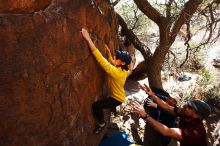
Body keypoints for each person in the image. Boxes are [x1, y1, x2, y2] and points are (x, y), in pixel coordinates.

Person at [81, 28, 132, 134]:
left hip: (117, 98)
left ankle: (101, 123)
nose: (115, 57)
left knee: (96, 106)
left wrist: (88, 39)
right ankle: (113, 110)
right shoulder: (122, 69)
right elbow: (113, 63)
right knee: (109, 102)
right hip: (118, 94)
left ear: (122, 63)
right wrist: (109, 53)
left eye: (117, 57)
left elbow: (102, 61)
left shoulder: (117, 73)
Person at [132, 84, 211, 146]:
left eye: (190, 107)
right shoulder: (184, 113)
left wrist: (145, 116)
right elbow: (167, 107)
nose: (185, 106)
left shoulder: (195, 132)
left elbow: (166, 131)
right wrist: (152, 95)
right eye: (188, 104)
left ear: (197, 115)